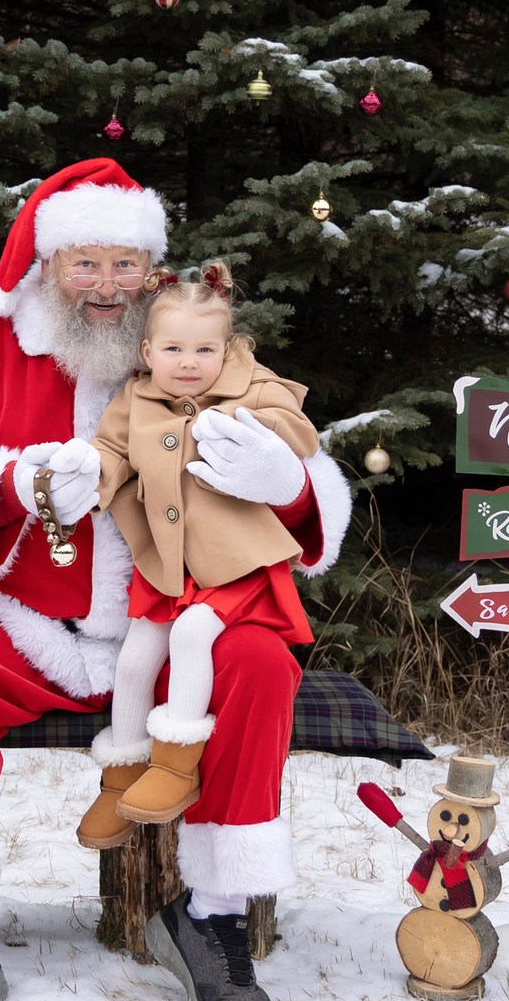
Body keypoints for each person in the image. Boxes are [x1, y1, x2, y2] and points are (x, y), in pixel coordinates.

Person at [0, 159, 352, 1001]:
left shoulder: (191, 342)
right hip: (26, 621)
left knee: (260, 662)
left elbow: (293, 457)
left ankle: (212, 914)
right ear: (47, 263)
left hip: (181, 623)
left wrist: (288, 482)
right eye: (86, 264)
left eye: (126, 267)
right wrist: (16, 482)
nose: (107, 288)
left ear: (154, 270)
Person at [52, 262, 320, 867]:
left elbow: (296, 430)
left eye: (206, 349)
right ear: (148, 350)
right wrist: (86, 469)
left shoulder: (251, 387)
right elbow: (113, 451)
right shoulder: (136, 398)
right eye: (174, 348)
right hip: (168, 568)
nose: (190, 362)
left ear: (228, 349)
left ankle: (176, 764)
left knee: (196, 635)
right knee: (136, 658)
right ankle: (121, 778)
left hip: (234, 568)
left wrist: (263, 441)